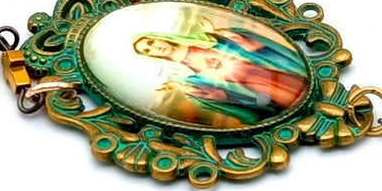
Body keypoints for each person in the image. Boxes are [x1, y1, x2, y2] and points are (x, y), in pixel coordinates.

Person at [131, 17, 308, 127]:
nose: (155, 48)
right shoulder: (181, 74)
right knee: (284, 99)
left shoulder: (202, 40)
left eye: (151, 42)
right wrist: (181, 87)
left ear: (159, 38)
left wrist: (216, 32)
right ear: (150, 56)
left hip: (263, 68)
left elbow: (248, 45)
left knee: (297, 87)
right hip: (248, 86)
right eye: (147, 50)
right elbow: (217, 94)